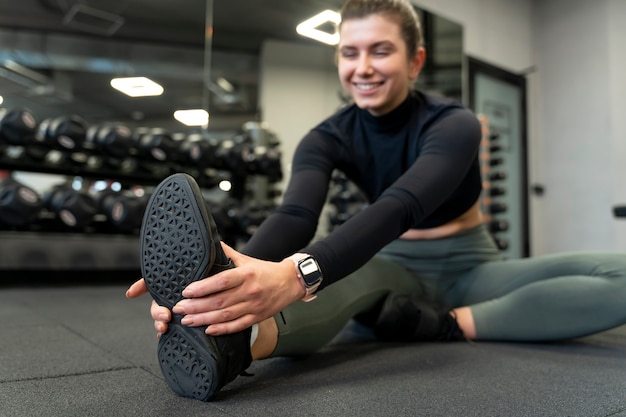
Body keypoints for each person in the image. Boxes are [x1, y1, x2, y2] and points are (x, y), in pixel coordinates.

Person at [126, 0, 626, 402]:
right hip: (391, 264)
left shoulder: (453, 124)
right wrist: (227, 280)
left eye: (380, 51)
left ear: (416, 60)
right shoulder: (326, 138)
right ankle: (238, 338)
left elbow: (401, 204)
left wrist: (297, 273)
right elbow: (297, 213)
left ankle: (453, 324)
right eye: (350, 52)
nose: (363, 68)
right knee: (340, 282)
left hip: (472, 269)